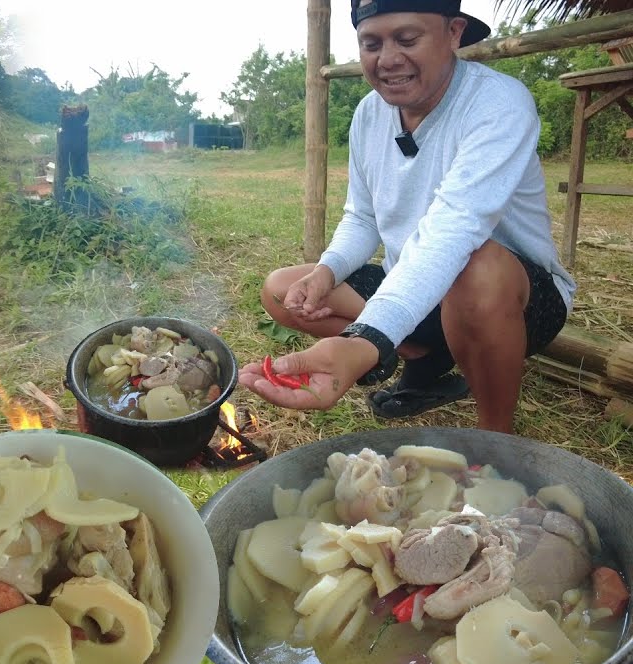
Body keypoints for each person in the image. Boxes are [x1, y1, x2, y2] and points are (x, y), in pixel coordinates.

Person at [241, 0, 575, 434]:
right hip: (414, 287)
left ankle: (496, 437)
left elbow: (454, 231)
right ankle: (428, 356)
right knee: (282, 290)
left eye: (407, 39)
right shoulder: (368, 114)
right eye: (371, 44)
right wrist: (327, 271)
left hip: (513, 297)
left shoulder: (497, 103)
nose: (388, 59)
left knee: (476, 266)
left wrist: (367, 339)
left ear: (454, 32)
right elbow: (362, 217)